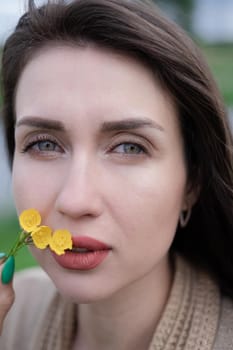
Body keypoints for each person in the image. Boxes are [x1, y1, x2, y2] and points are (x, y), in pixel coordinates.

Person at [0, 0, 233, 349]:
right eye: (44, 144)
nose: (76, 201)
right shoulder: (13, 318)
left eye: (129, 147)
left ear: (192, 181)